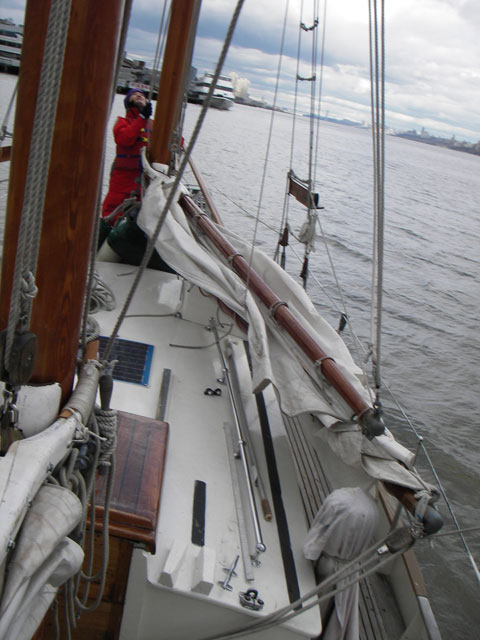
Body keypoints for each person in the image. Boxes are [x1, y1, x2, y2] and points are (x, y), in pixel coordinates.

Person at [101, 88, 153, 226]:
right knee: (111, 214)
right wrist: (141, 118)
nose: (139, 96)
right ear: (128, 102)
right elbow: (125, 139)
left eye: (142, 95)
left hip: (146, 182)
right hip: (123, 181)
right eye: (135, 95)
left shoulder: (154, 125)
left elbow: (173, 142)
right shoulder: (121, 123)